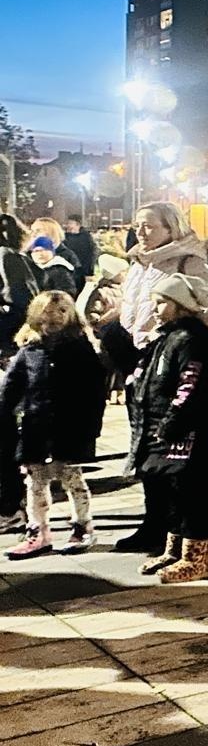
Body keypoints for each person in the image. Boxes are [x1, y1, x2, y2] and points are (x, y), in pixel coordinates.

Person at [109, 202, 208, 552]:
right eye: (137, 225)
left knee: (174, 454)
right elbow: (136, 311)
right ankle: (154, 523)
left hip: (176, 361)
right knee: (147, 448)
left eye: (149, 225)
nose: (141, 232)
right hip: (145, 361)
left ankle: (179, 529)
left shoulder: (188, 263)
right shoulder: (138, 264)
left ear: (171, 228)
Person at [99, 273, 208, 582]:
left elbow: (190, 387)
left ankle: (198, 557)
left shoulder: (193, 341)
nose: (155, 309)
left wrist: (171, 423)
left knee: (191, 495)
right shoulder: (166, 338)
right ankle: (176, 548)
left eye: (161, 303)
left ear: (180, 305)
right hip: (163, 431)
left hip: (188, 435)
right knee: (171, 494)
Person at [1, 291, 107, 558]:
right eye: (48, 312)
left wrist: (92, 427)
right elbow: (11, 387)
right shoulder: (30, 350)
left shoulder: (80, 347)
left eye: (61, 312)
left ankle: (83, 526)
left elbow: (94, 391)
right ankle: (38, 531)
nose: (54, 318)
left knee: (72, 478)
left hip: (70, 427)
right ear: (37, 315)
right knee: (35, 481)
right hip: (36, 426)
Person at [0, 214, 38, 534]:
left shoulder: (7, 259)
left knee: (2, 432)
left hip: (3, 357)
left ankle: (10, 507)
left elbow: (24, 306)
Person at [62, 216, 98, 289]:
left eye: (71, 223)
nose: (68, 225)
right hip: (70, 270)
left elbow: (92, 253)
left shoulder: (86, 237)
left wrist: (90, 270)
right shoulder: (65, 237)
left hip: (83, 270)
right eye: (68, 223)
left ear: (78, 225)